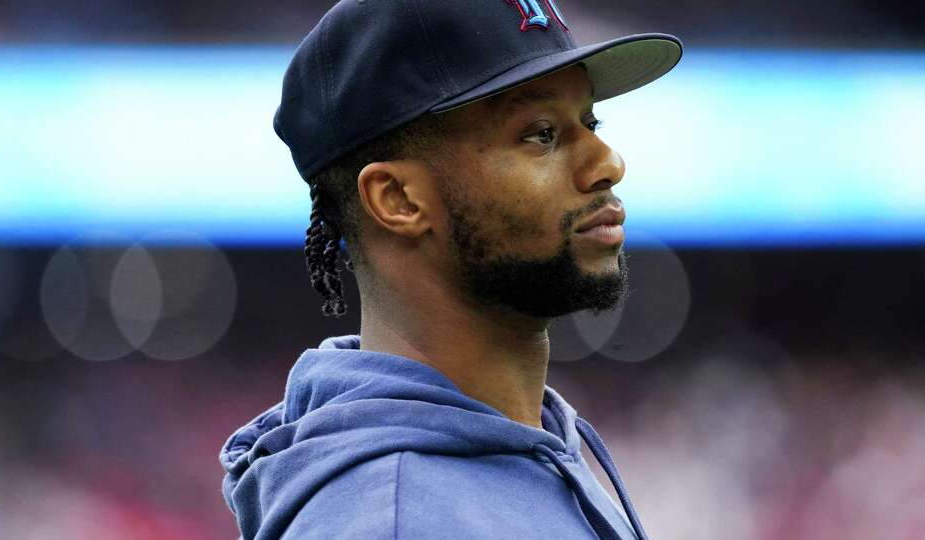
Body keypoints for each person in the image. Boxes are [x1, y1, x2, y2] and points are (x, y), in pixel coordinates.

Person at [219, 1, 682, 538]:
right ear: (398, 199)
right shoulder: (393, 520)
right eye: (541, 133)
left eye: (589, 121)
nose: (608, 163)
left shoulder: (518, 445)